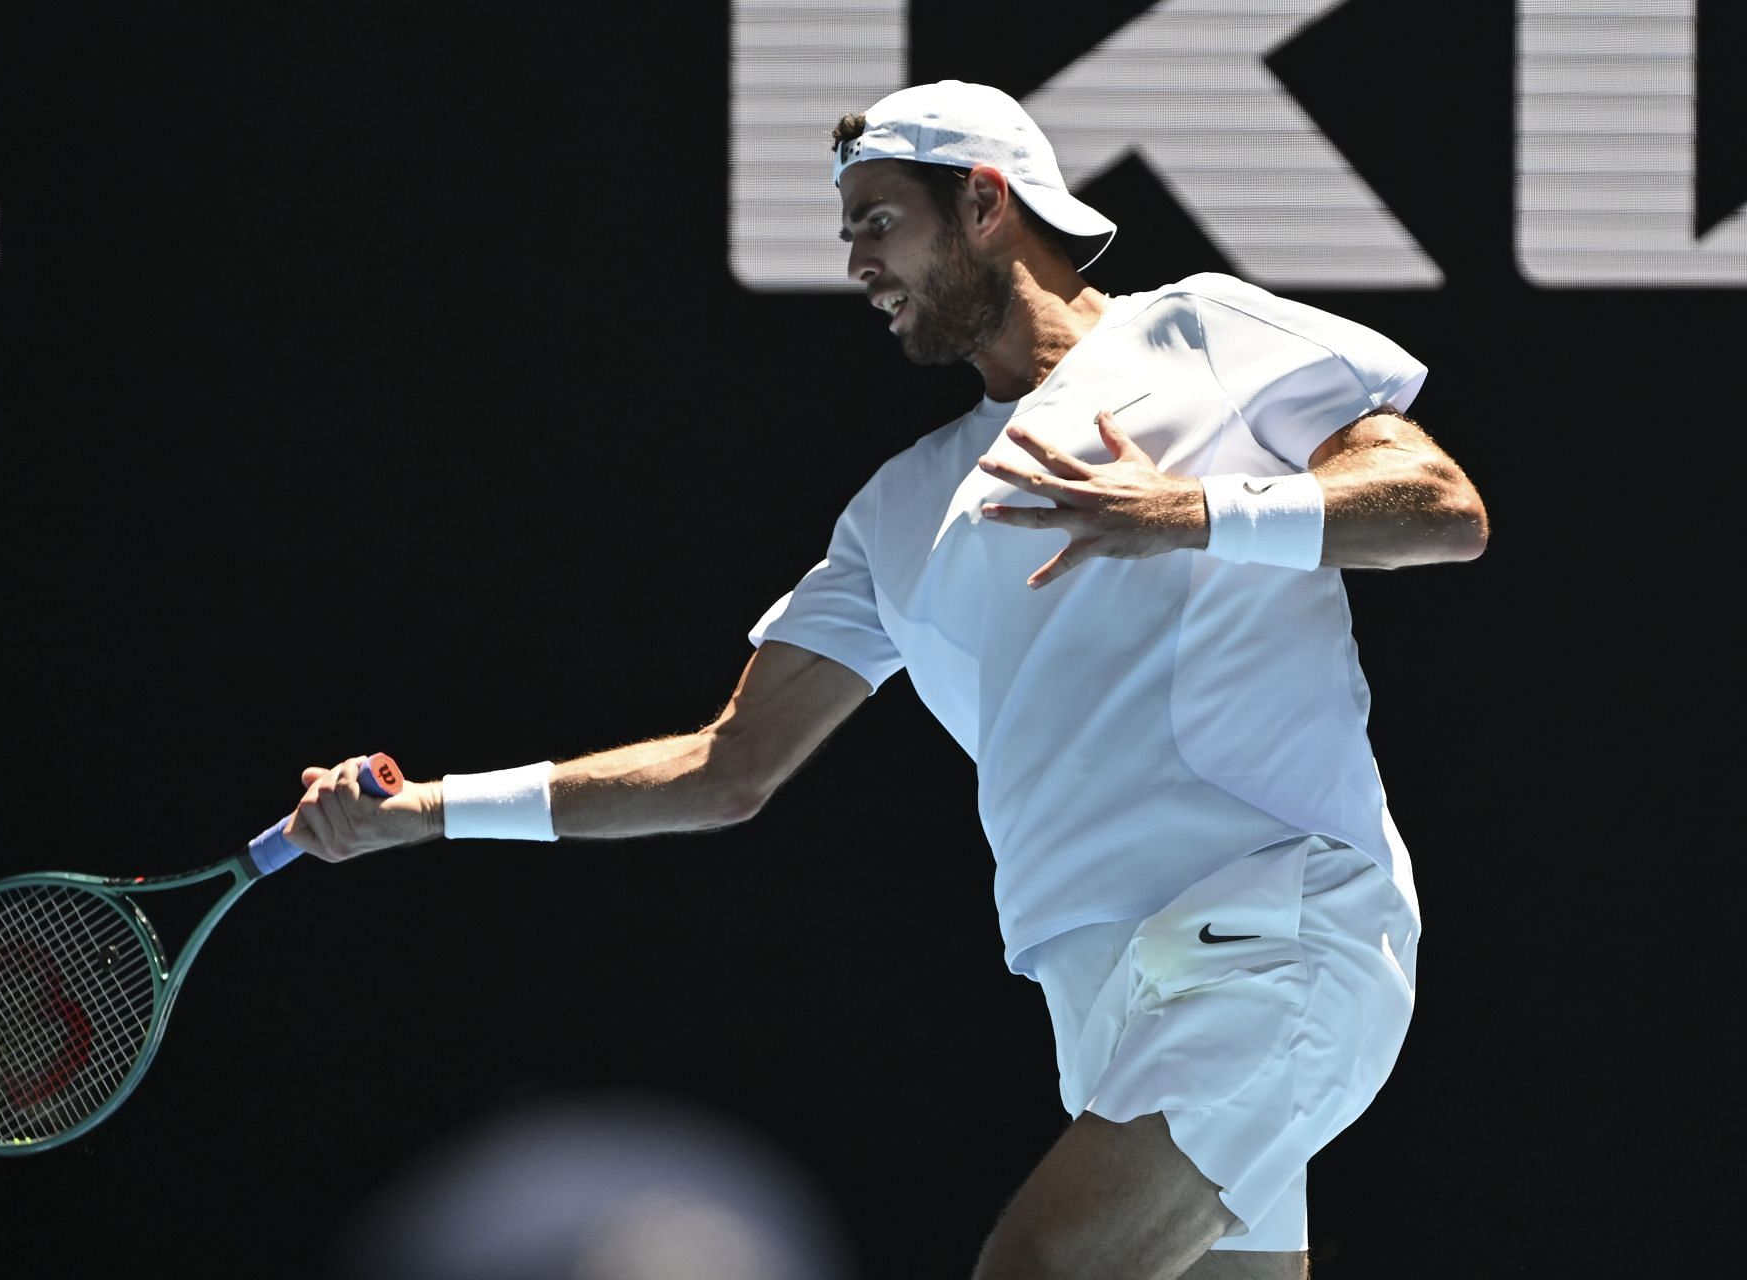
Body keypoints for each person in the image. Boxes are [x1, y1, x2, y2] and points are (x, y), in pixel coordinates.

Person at [284, 80, 1488, 1280]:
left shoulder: (1199, 336)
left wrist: (1183, 512)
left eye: (876, 220)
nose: (856, 259)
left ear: (982, 203)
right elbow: (726, 765)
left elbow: (1440, 510)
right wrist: (426, 810)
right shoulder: (899, 510)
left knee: (1038, 1265)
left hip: (1279, 934)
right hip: (1111, 1007)